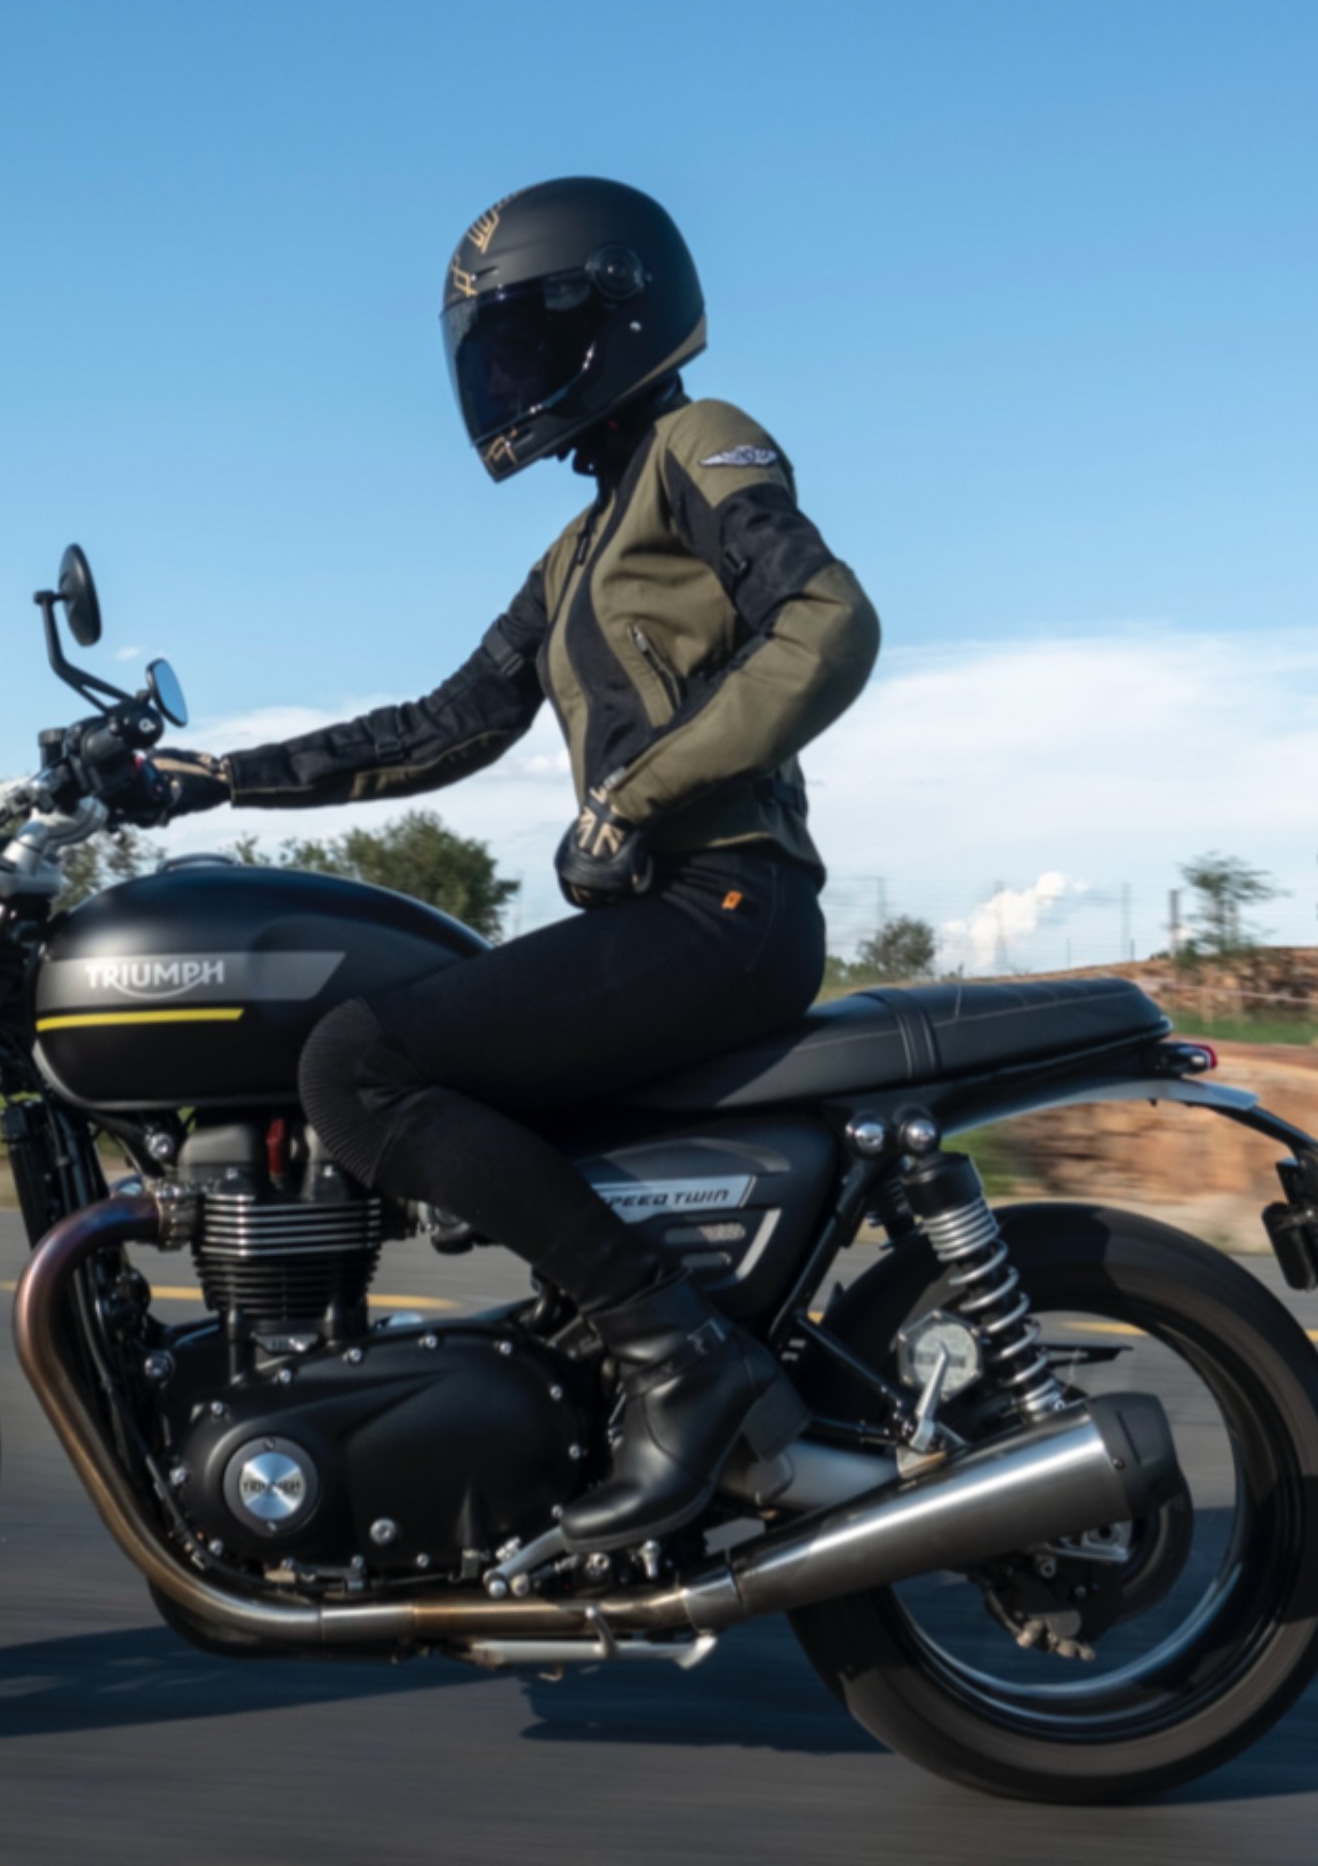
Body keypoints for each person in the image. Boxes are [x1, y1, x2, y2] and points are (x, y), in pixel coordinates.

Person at [153, 178, 881, 1552]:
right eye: (493, 356)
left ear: (616, 318)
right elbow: (442, 727)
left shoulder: (699, 442)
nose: (507, 380)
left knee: (355, 1066)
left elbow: (828, 621)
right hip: (680, 912)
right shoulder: (571, 554)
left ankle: (678, 1359)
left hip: (728, 900)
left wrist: (637, 795)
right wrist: (217, 780)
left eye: (528, 343)